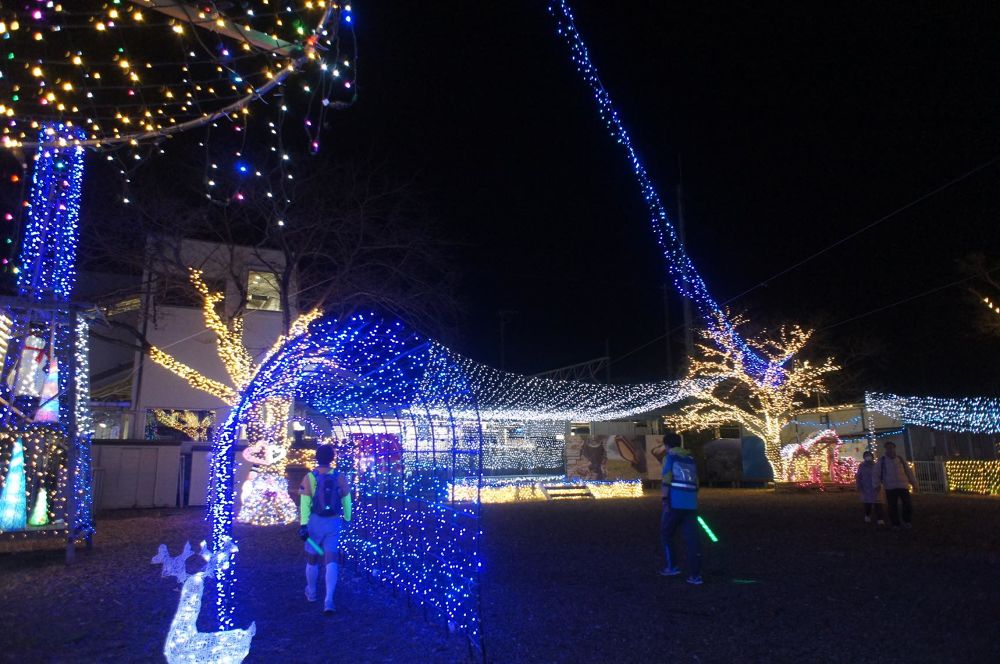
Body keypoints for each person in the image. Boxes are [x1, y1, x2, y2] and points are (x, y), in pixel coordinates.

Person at [299, 444, 352, 613]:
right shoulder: (340, 477)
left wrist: (303, 524)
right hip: (333, 522)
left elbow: (305, 503)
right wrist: (347, 519)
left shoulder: (310, 477)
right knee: (331, 559)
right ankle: (329, 600)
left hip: (315, 522)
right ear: (332, 458)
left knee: (312, 558)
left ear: (317, 458)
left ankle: (312, 591)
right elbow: (347, 500)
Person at [659, 435, 702, 585]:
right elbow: (696, 483)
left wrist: (664, 499)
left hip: (674, 502)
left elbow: (666, 479)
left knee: (666, 534)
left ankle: (672, 566)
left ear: (667, 446)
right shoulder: (690, 459)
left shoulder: (669, 458)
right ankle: (695, 575)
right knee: (692, 540)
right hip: (691, 504)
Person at [876, 441, 916, 529]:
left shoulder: (900, 459)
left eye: (891, 448)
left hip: (903, 485)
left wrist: (913, 482)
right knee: (892, 506)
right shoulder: (882, 461)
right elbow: (877, 473)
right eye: (888, 448)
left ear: (894, 448)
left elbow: (908, 471)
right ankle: (895, 523)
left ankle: (906, 521)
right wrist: (877, 484)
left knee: (907, 504)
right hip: (890, 486)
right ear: (885, 449)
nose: (890, 450)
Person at [854, 450, 884, 525]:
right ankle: (867, 515)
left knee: (878, 503)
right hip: (865, 487)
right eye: (866, 455)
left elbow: (881, 475)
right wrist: (858, 485)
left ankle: (880, 519)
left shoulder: (877, 465)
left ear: (872, 457)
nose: (868, 457)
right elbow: (859, 476)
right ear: (864, 457)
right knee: (867, 504)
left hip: (876, 486)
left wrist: (881, 483)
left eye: (869, 455)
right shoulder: (862, 466)